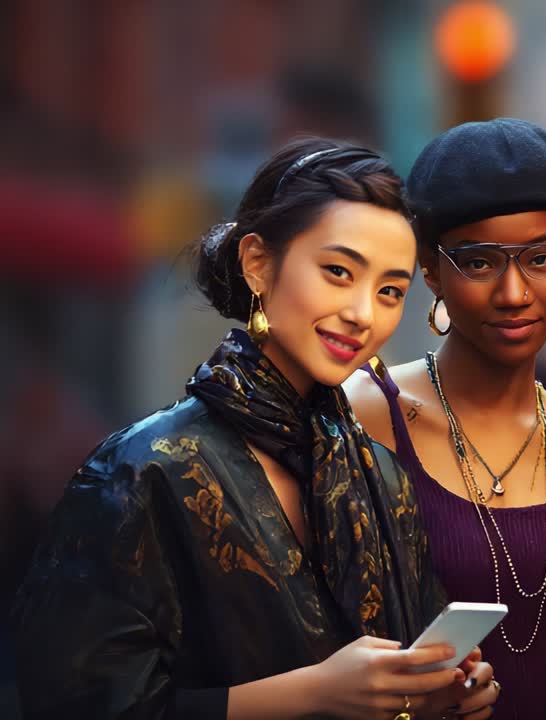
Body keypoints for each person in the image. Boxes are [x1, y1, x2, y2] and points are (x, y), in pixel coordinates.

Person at [12, 138, 499, 719]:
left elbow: (404, 676)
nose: (364, 314)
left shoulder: (382, 476)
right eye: (338, 271)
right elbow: (77, 704)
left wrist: (442, 693)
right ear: (257, 263)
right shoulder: (144, 470)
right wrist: (314, 692)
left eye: (389, 291)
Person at [344, 118, 546, 720]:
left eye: (542, 258)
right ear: (430, 269)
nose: (514, 292)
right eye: (480, 263)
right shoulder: (364, 416)